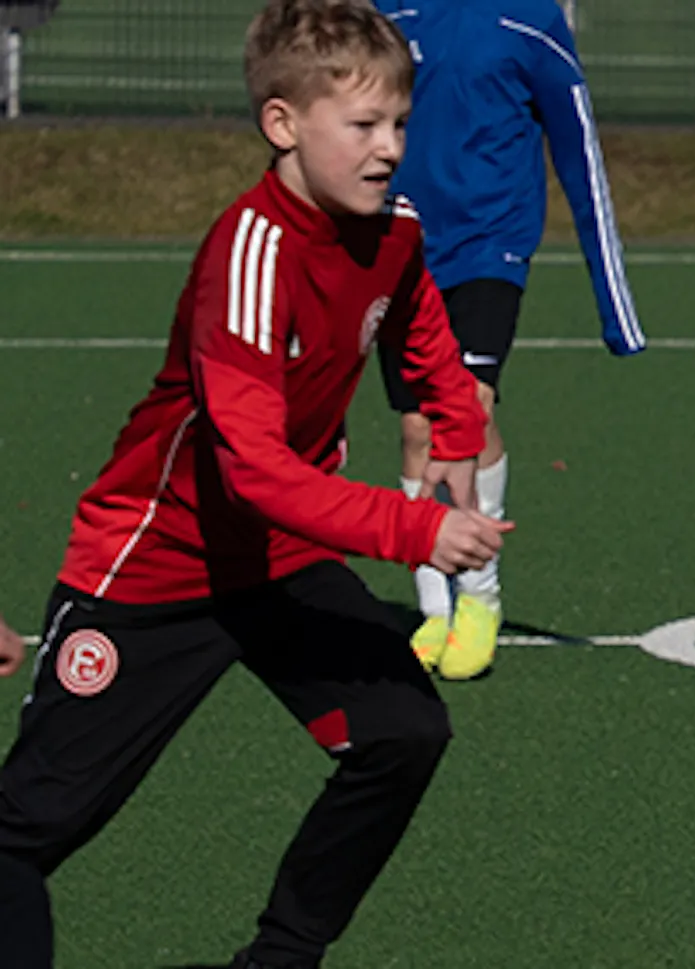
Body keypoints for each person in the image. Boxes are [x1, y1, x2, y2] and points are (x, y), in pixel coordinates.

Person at [0, 2, 508, 965]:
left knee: (403, 732)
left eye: (400, 123)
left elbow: (424, 334)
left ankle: (281, 957)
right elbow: (256, 470)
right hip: (158, 564)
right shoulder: (249, 252)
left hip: (282, 561)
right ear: (282, 124)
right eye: (362, 126)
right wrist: (412, 530)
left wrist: (457, 423)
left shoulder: (392, 230)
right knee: (25, 831)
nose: (391, 148)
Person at [374, 0, 646, 680]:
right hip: (401, 248)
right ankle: (434, 608)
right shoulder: (387, 13)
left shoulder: (532, 20)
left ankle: (480, 599)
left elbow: (579, 149)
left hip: (489, 252)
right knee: (415, 428)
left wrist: (616, 307)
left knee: (466, 407)